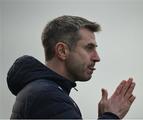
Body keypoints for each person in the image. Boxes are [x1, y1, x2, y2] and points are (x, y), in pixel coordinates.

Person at [7, 15, 136, 119]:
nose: (97, 58)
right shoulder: (48, 96)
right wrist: (111, 116)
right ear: (62, 51)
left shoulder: (44, 91)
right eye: (89, 48)